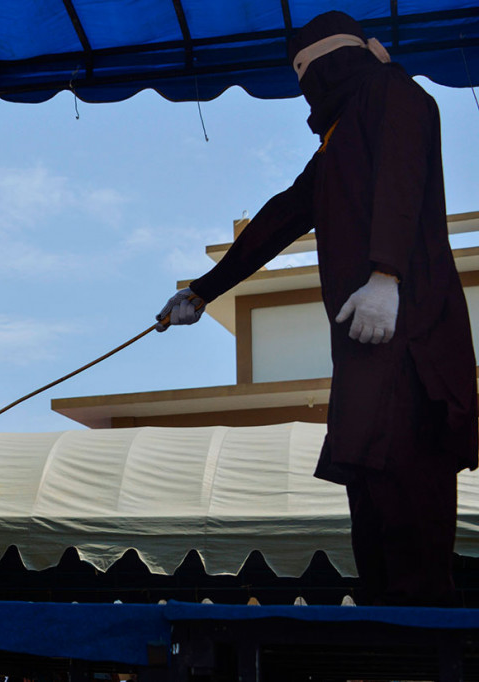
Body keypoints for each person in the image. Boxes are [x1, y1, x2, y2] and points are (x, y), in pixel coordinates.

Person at [156, 11, 478, 606]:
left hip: (411, 341)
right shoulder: (338, 139)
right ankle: (387, 637)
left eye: (310, 73)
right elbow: (280, 216)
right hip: (364, 349)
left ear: (334, 64)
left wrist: (387, 274)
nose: (307, 88)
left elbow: (404, 179)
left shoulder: (394, 94)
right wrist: (205, 289)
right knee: (373, 509)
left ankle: (421, 646)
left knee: (412, 506)